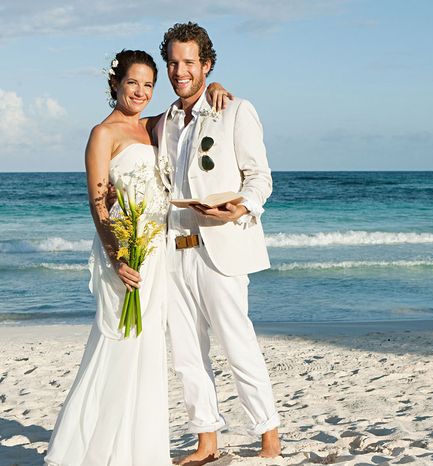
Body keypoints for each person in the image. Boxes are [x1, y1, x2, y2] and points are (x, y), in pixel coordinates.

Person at [44, 49, 229, 466]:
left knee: (147, 354)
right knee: (118, 348)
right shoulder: (102, 134)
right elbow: (98, 204)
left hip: (157, 250)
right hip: (126, 255)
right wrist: (117, 257)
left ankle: (137, 451)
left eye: (149, 84)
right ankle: (87, 451)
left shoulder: (152, 126)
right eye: (133, 83)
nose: (142, 92)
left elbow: (191, 107)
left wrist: (213, 86)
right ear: (116, 85)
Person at [154, 22, 281, 465]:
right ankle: (206, 440)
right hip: (174, 250)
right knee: (187, 353)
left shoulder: (235, 109)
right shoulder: (164, 122)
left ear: (206, 65)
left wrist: (240, 208)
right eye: (173, 62)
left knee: (237, 344)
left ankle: (269, 436)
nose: (180, 70)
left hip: (221, 249)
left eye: (189, 62)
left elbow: (260, 176)